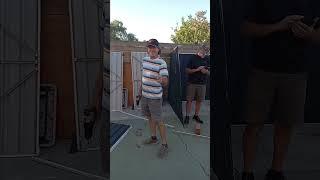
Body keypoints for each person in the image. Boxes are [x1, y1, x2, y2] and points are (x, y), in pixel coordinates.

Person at [241, 0, 320, 179]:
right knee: (254, 123)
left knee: (286, 124)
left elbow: (318, 36)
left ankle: (276, 172)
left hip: (296, 72)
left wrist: (310, 35)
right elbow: (245, 29)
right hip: (262, 70)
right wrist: (278, 26)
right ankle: (247, 173)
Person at [138, 39, 169, 158]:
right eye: (149, 47)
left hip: (155, 98)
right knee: (149, 117)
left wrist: (162, 80)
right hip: (145, 96)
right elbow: (144, 76)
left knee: (159, 120)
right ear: (147, 49)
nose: (151, 49)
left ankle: (165, 144)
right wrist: (141, 90)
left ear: (158, 49)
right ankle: (153, 138)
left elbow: (165, 80)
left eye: (154, 47)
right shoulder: (144, 60)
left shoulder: (162, 63)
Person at [184, 45, 210, 135]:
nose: (205, 52)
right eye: (204, 50)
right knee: (189, 100)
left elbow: (209, 71)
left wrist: (206, 72)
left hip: (202, 84)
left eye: (206, 51)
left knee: (199, 101)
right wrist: (197, 70)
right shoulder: (192, 58)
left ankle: (196, 115)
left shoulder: (207, 59)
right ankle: (187, 116)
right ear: (199, 50)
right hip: (192, 83)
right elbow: (187, 70)